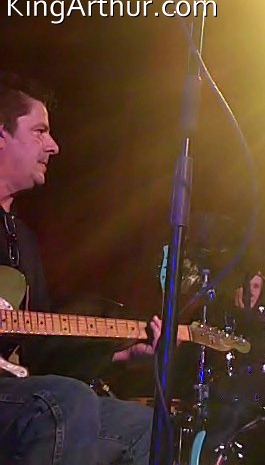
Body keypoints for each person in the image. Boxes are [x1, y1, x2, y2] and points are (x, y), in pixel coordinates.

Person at [0, 71, 160, 464]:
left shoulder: (23, 240)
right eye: (39, 131)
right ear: (2, 134)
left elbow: (40, 353)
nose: (53, 146)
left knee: (145, 427)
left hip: (13, 393)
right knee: (65, 402)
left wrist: (120, 356)